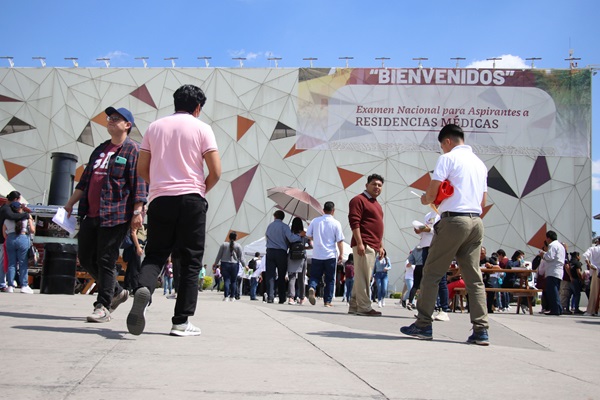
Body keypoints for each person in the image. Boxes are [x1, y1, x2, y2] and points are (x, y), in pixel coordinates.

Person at [127, 84, 221, 337]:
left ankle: (143, 293)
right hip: (191, 198)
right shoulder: (203, 128)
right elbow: (216, 171)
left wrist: (158, 185)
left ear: (175, 102)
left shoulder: (154, 127)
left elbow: (141, 169)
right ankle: (180, 322)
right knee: (190, 261)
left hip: (160, 199)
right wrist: (200, 189)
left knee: (155, 254)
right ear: (198, 107)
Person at [401, 124, 489, 345]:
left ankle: (423, 325)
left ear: (447, 141)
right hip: (476, 221)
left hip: (453, 220)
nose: (442, 150)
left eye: (442, 145)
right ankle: (481, 330)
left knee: (431, 273)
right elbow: (483, 202)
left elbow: (431, 194)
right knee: (473, 278)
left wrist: (426, 199)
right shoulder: (480, 164)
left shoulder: (447, 159)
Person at [64, 106, 146, 323]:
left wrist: (138, 212)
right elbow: (85, 180)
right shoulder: (100, 150)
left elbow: (139, 184)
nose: (110, 120)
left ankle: (103, 306)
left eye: (116, 118)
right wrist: (70, 204)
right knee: (86, 257)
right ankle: (117, 291)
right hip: (91, 214)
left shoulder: (132, 150)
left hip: (116, 214)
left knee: (106, 259)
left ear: (127, 125)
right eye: (109, 117)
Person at [348, 174, 385, 317]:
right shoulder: (358, 200)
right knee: (364, 276)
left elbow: (378, 226)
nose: (377, 187)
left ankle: (354, 305)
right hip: (364, 244)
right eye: (374, 184)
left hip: (374, 245)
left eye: (380, 185)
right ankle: (364, 307)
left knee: (363, 276)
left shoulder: (377, 204)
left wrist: (381, 246)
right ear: (366, 185)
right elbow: (354, 222)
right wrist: (360, 242)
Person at [306, 201, 344, 307]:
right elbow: (339, 241)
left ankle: (312, 287)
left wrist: (316, 237)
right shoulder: (336, 223)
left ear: (323, 210)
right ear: (333, 211)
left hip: (317, 254)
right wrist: (341, 254)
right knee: (330, 279)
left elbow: (308, 235)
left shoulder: (315, 221)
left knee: (314, 276)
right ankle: (327, 301)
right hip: (330, 255)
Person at [264, 210, 303, 304]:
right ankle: (282, 297)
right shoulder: (285, 227)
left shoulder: (269, 226)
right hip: (281, 252)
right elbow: (291, 238)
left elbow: (267, 236)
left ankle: (270, 296)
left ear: (275, 216)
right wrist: (299, 236)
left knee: (270, 275)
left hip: (270, 251)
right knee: (281, 275)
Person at [0, 191, 30, 292]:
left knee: (10, 263)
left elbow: (4, 229)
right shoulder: (6, 210)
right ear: (16, 200)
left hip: (9, 239)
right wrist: (26, 215)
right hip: (16, 238)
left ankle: (9, 284)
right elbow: (12, 217)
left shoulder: (5, 211)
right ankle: (22, 285)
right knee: (21, 262)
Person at [539, 230, 566, 316]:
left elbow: (550, 257)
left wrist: (543, 254)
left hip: (552, 271)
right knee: (555, 290)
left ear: (548, 238)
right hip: (559, 270)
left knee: (552, 291)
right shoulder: (561, 246)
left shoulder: (552, 245)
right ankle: (558, 308)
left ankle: (555, 309)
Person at [287, 217, 311, 305]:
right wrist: (304, 247)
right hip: (302, 256)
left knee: (292, 277)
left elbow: (287, 244)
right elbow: (311, 245)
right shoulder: (304, 234)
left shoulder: (290, 233)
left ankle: (291, 298)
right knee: (302, 278)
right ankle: (301, 298)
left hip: (292, 255)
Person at [583, 239, 600, 316]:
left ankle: (591, 310)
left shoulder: (593, 249)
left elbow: (586, 256)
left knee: (594, 292)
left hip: (596, 270)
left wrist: (589, 265)